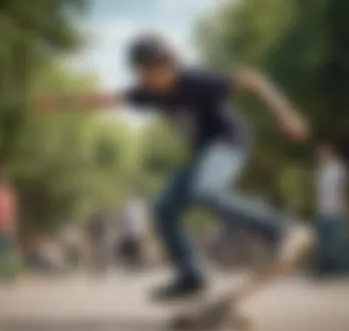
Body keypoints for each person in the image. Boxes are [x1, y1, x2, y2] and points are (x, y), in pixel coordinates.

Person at [39, 33, 314, 301]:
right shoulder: (146, 93)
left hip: (229, 144)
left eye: (146, 73)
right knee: (164, 209)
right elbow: (106, 99)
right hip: (205, 154)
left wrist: (285, 113)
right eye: (138, 74)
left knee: (204, 191)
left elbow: (254, 81)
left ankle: (281, 229)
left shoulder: (196, 80)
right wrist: (58, 103)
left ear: (166, 66)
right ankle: (191, 277)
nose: (141, 80)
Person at [315, 143, 347, 277]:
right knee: (322, 243)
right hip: (322, 211)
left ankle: (344, 269)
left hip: (335, 211)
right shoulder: (321, 170)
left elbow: (344, 188)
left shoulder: (338, 169)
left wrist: (345, 206)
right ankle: (322, 271)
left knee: (336, 242)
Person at [120, 193, 149, 268]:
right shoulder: (134, 207)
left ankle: (141, 262)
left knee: (139, 247)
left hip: (136, 231)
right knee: (135, 248)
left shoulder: (137, 207)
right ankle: (137, 263)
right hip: (134, 231)